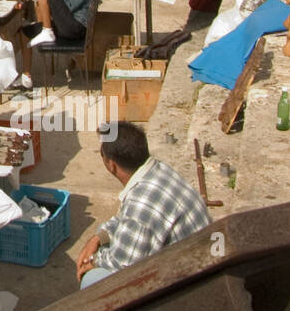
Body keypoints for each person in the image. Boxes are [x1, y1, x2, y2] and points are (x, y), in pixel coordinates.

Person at [76, 121, 210, 288]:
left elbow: (123, 264)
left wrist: (93, 260)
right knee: (103, 230)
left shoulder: (141, 203)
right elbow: (122, 218)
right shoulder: (157, 169)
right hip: (192, 256)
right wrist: (97, 239)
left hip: (188, 280)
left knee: (91, 280)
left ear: (112, 165)